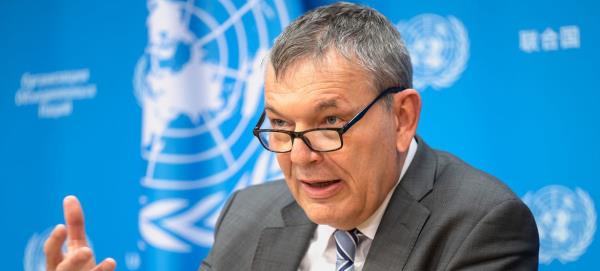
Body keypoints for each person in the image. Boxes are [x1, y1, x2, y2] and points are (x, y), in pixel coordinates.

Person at [45, 2, 539, 271]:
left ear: (403, 118)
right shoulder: (247, 214)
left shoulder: (482, 225)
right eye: (280, 125)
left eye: (329, 124)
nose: (301, 158)